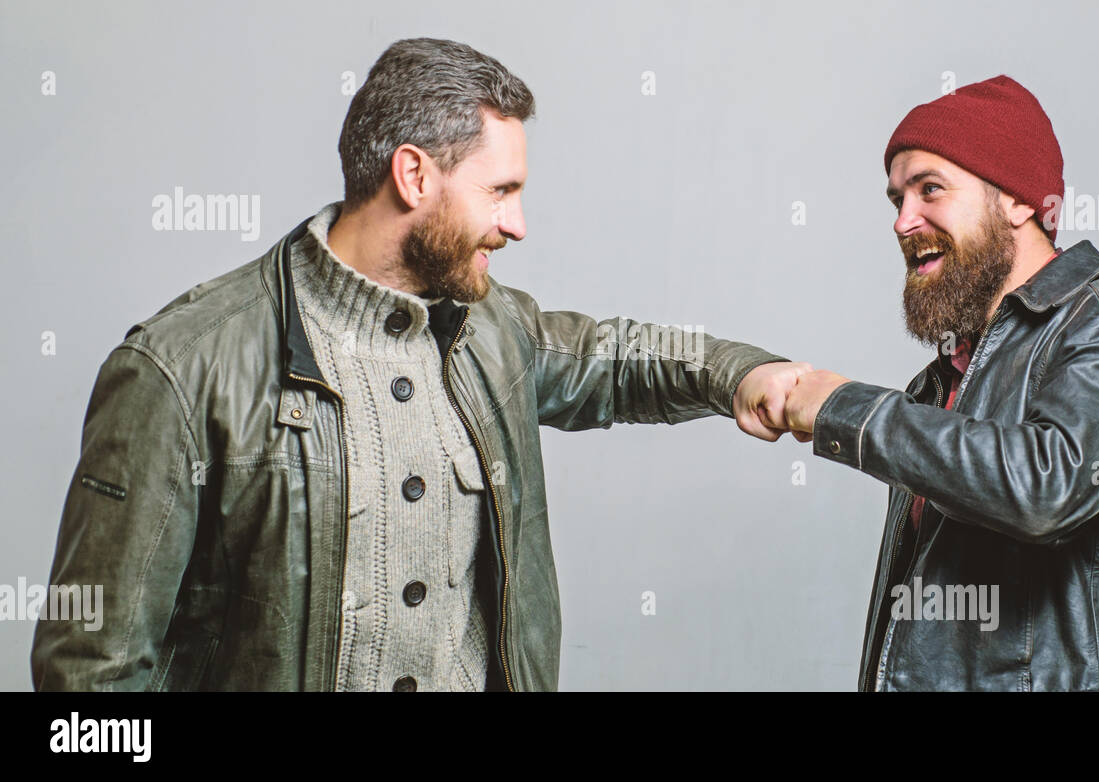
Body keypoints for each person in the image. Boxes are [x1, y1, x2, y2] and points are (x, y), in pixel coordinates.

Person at [31, 38, 808, 692]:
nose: (518, 224)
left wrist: (745, 373)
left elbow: (618, 356)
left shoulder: (495, 330)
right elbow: (87, 676)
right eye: (500, 191)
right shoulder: (181, 366)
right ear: (413, 176)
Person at [783, 75, 1099, 691]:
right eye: (897, 199)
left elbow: (1042, 489)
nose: (904, 221)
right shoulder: (937, 384)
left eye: (930, 189)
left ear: (1017, 200)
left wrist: (844, 408)